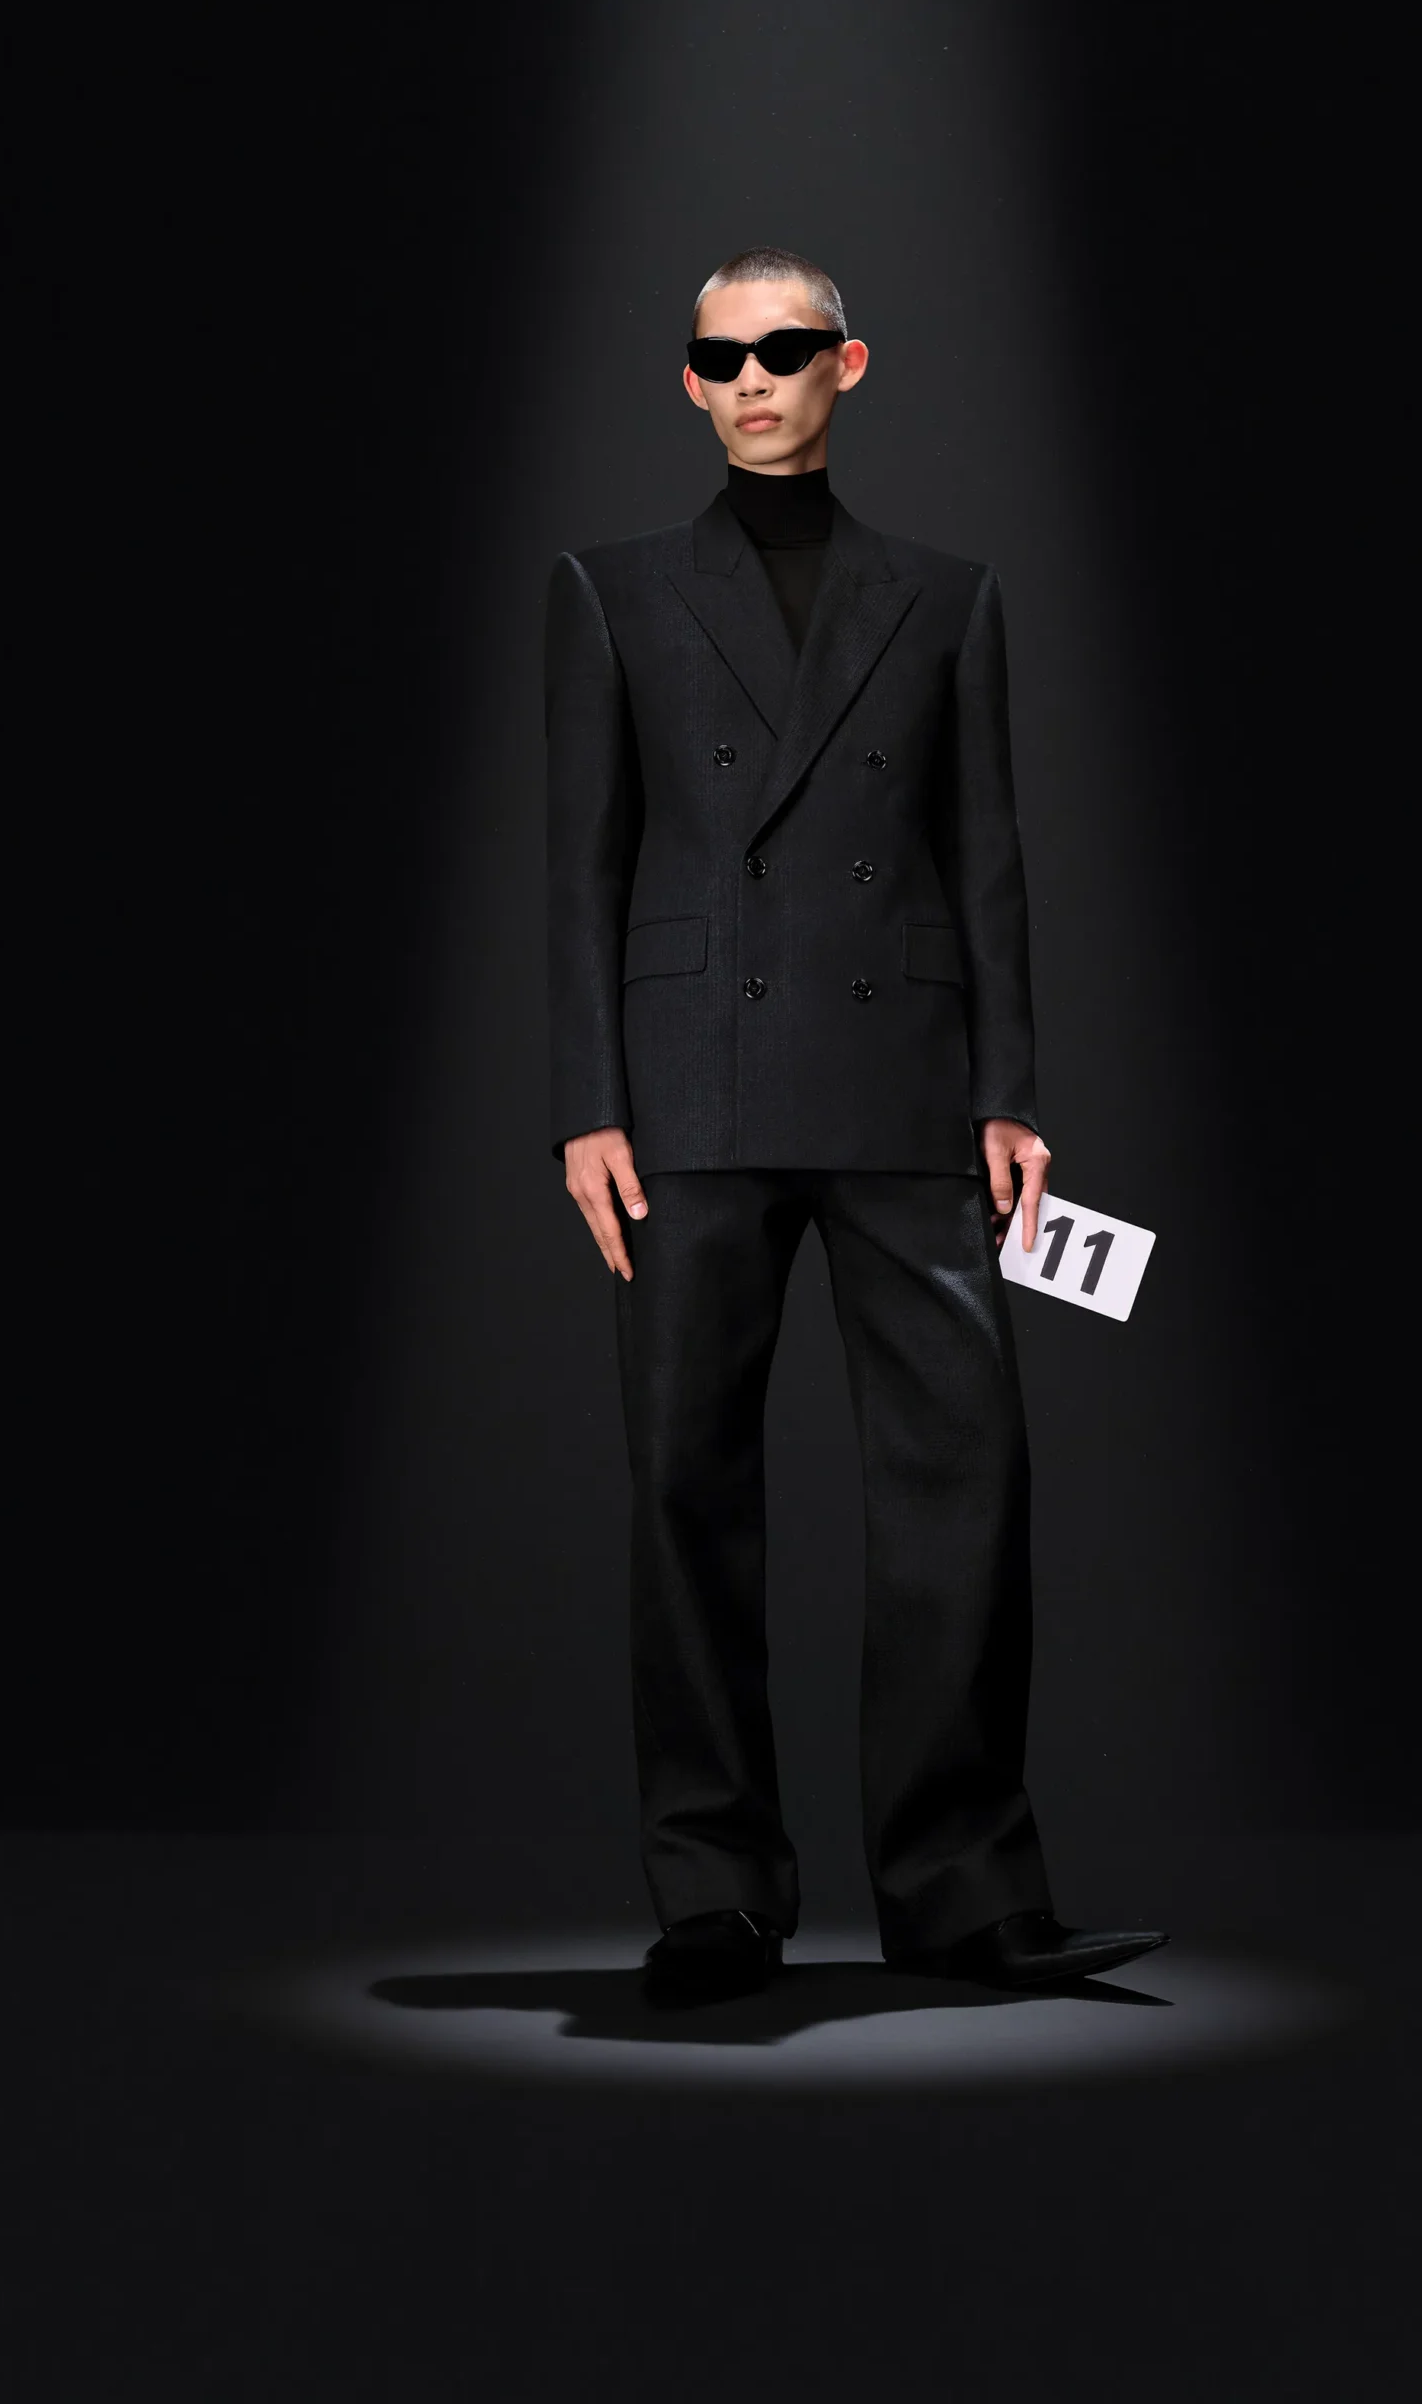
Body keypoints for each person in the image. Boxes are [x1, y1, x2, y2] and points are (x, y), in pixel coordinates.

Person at [544, 245, 1167, 2004]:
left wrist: (1008, 1090)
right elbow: (579, 866)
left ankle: (963, 1887)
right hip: (689, 1089)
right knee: (685, 1488)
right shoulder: (607, 590)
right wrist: (587, 1106)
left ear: (849, 362)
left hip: (907, 1079)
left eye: (784, 347)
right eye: (717, 356)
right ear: (687, 380)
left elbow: (986, 855)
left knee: (964, 1480)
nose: (750, 379)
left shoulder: (949, 596)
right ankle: (715, 1894)